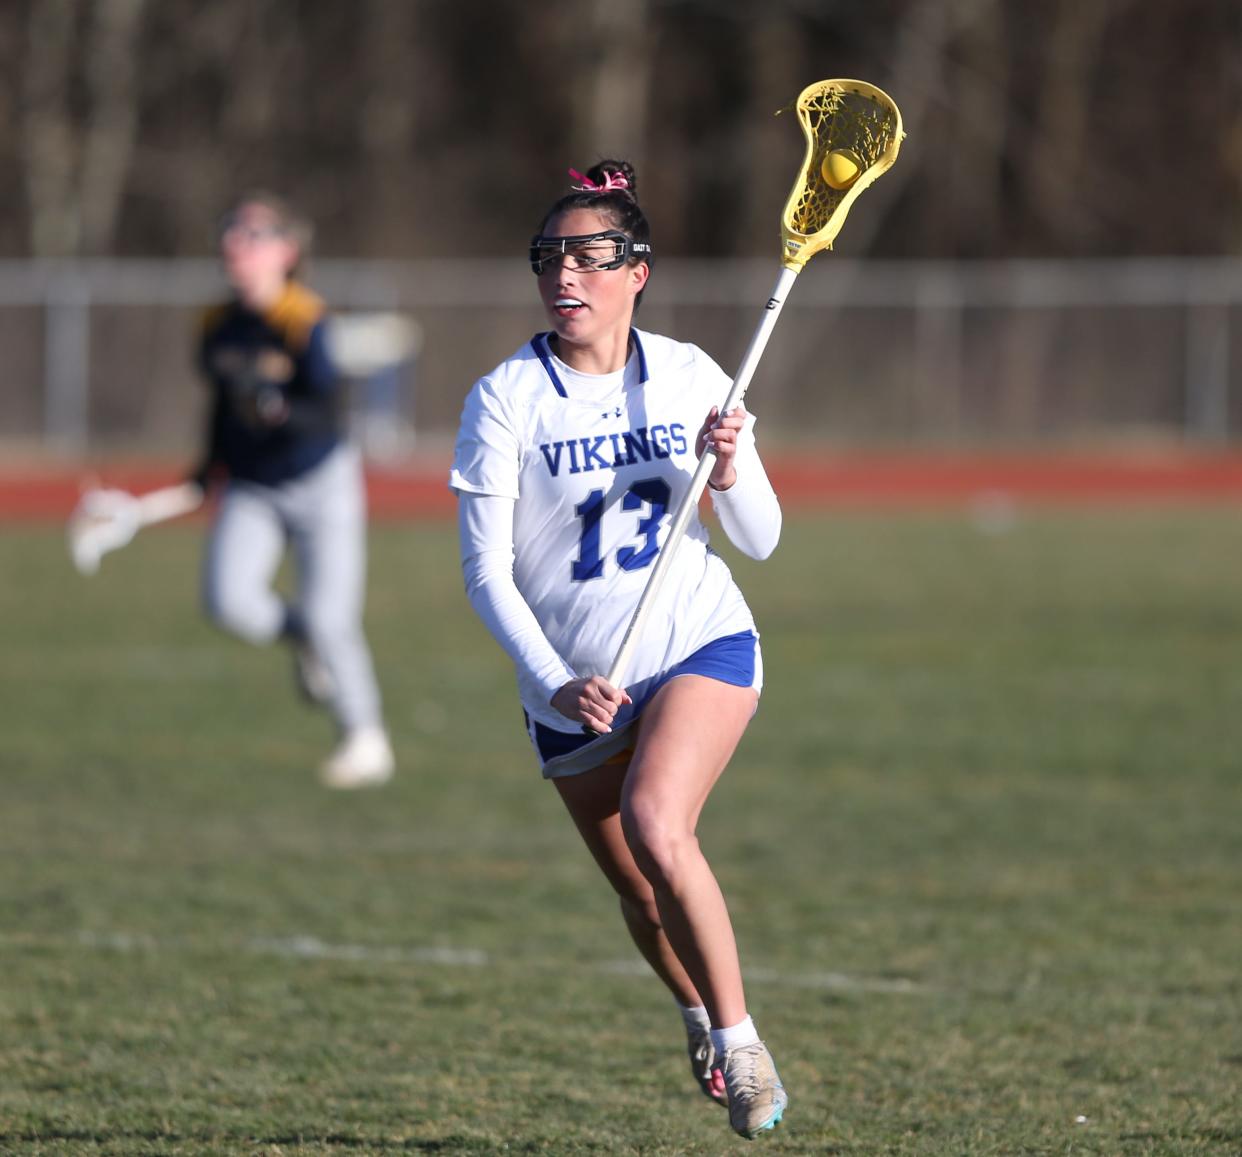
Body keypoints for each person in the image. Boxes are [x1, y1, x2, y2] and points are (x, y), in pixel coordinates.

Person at [450, 161, 787, 1139]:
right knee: (643, 893)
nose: (568, 276)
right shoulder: (506, 397)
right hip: (570, 690)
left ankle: (742, 1037)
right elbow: (486, 576)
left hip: (698, 640)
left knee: (657, 819)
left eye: (593, 258)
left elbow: (760, 537)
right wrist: (558, 681)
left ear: (638, 270)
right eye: (552, 258)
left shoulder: (688, 374)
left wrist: (730, 465)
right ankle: (696, 1010)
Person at [190, 190, 394, 789]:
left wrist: (277, 409)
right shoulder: (214, 325)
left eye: (252, 234)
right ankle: (305, 636)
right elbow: (222, 407)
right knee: (228, 603)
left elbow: (328, 414)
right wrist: (209, 462)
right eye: (231, 230)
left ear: (287, 250)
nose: (235, 244)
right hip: (254, 485)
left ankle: (365, 737)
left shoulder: (306, 318)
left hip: (321, 481)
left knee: (335, 618)